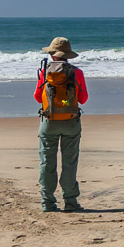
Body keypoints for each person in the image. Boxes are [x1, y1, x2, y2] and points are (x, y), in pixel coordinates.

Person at [34, 37, 89, 212]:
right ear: (67, 56)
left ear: (52, 54)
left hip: (49, 121)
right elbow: (83, 99)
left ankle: (48, 203)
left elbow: (37, 97)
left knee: (47, 162)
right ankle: (71, 202)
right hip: (71, 122)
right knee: (69, 162)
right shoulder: (77, 72)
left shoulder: (45, 72)